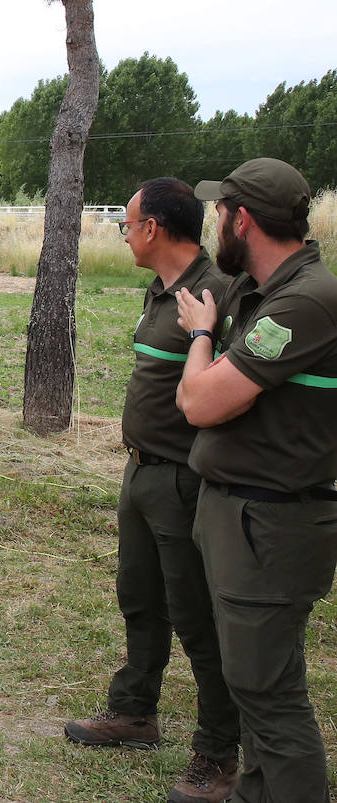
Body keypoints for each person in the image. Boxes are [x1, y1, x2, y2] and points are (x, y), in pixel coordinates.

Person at [62, 179, 237, 803]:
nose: (125, 234)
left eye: (127, 224)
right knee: (139, 598)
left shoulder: (217, 295)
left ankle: (217, 755)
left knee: (197, 621)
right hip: (140, 473)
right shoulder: (164, 291)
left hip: (183, 479)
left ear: (154, 228)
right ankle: (135, 711)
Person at [174, 158, 337, 803]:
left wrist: (202, 337)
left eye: (220, 211)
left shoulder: (304, 303)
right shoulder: (265, 290)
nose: (215, 222)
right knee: (255, 681)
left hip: (272, 522)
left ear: (241, 219)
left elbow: (201, 404)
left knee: (269, 694)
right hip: (245, 516)